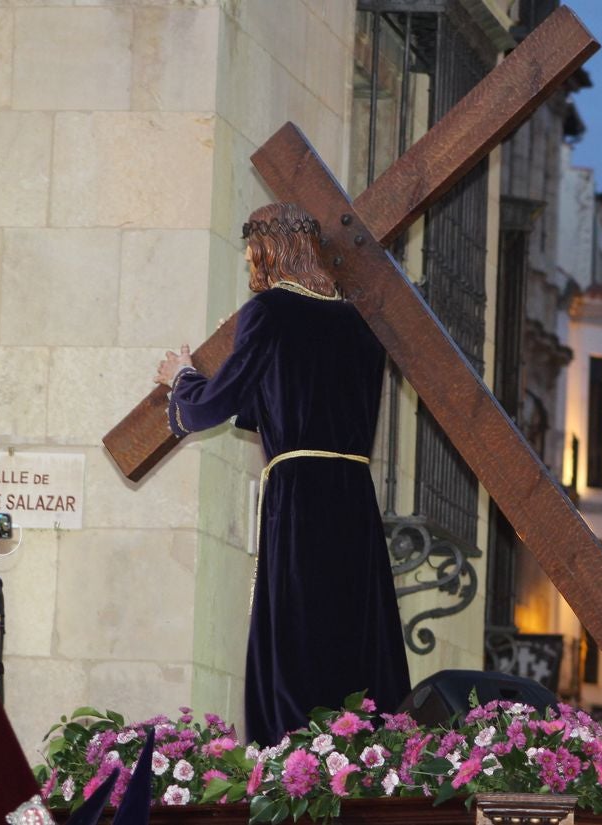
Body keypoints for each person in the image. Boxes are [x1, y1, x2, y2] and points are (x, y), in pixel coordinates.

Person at [153, 202, 410, 745]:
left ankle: (293, 761)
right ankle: (360, 757)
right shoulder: (361, 324)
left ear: (270, 251)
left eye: (252, 253)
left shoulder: (271, 311)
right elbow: (293, 400)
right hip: (355, 501)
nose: (251, 265)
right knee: (351, 631)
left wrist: (180, 377)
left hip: (300, 499)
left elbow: (214, 405)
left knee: (295, 632)